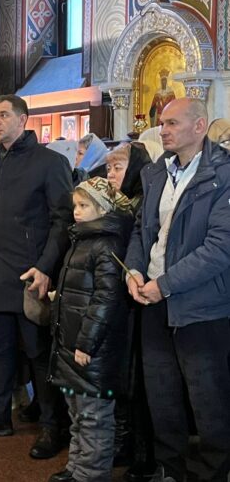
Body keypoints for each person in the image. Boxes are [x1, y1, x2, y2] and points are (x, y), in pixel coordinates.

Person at [0, 94, 73, 461]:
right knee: (0, 350)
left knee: (39, 355)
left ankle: (53, 426)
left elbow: (61, 221)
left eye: (4, 115)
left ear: (24, 120)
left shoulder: (49, 162)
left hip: (29, 275)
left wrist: (45, 267)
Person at [124, 98, 230, 482]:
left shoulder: (223, 173)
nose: (163, 129)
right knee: (162, 394)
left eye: (172, 123)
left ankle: (212, 474)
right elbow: (141, 229)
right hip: (152, 299)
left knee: (208, 399)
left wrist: (164, 285)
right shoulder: (156, 173)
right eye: (161, 122)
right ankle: (170, 470)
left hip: (200, 304)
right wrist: (133, 271)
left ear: (199, 126)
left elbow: (220, 248)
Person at [47, 177, 135, 482]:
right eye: (75, 205)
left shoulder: (107, 244)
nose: (77, 212)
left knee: (94, 417)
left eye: (85, 205)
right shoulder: (83, 240)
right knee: (77, 414)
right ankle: (77, 468)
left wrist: (86, 343)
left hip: (92, 350)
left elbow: (105, 300)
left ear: (104, 208)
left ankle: (92, 474)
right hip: (73, 346)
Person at [104, 142, 158, 482]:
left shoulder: (142, 203)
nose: (110, 174)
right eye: (108, 168)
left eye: (118, 167)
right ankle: (123, 442)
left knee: (141, 383)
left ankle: (144, 452)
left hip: (141, 301)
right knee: (122, 378)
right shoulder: (116, 204)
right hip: (119, 301)